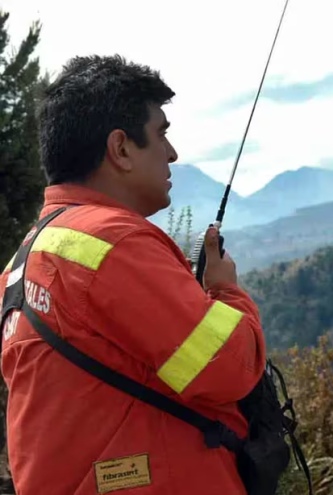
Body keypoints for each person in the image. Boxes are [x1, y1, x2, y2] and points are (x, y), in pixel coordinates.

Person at [0, 54, 267, 494]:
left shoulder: (26, 256)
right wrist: (224, 291)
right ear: (121, 148)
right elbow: (229, 369)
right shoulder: (112, 243)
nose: (172, 153)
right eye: (161, 134)